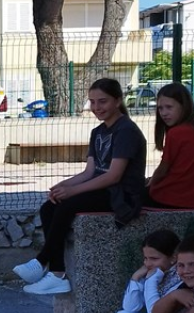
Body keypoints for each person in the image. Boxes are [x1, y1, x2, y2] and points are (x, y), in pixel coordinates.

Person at [14, 79, 147, 295]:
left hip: (122, 195)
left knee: (68, 204)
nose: (96, 108)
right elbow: (89, 172)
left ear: (118, 100)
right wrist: (62, 186)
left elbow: (114, 176)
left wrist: (73, 191)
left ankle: (41, 261)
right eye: (92, 102)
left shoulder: (127, 131)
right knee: (50, 206)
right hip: (103, 189)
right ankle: (57, 273)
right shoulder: (98, 132)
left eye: (102, 102)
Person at [145, 82, 194, 209]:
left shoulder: (177, 132)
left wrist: (150, 183)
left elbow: (163, 168)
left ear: (184, 106)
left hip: (175, 197)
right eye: (160, 108)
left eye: (169, 107)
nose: (164, 113)